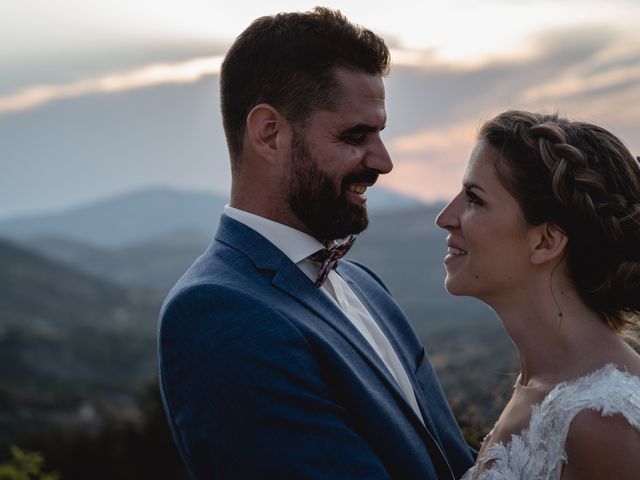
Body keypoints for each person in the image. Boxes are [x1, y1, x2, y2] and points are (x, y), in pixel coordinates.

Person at [158, 7, 474, 479]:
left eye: (380, 133)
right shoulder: (217, 312)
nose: (384, 162)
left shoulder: (364, 285)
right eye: (355, 135)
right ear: (270, 133)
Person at [436, 110, 640, 479]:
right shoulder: (541, 382)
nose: (445, 217)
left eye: (474, 198)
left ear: (546, 241)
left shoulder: (603, 422)